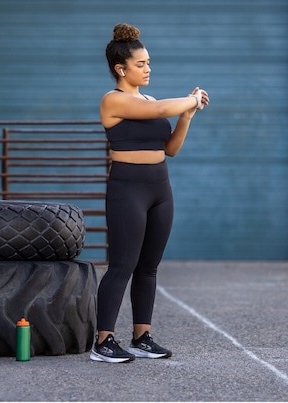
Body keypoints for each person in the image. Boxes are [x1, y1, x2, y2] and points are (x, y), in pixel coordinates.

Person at [90, 23, 209, 363]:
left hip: (160, 186)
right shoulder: (112, 100)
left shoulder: (150, 99)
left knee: (149, 267)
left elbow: (170, 148)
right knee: (122, 265)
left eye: (148, 62)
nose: (148, 69)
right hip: (128, 187)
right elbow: (158, 113)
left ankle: (141, 336)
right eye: (141, 64)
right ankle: (104, 342)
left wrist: (187, 116)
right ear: (121, 68)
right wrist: (192, 98)